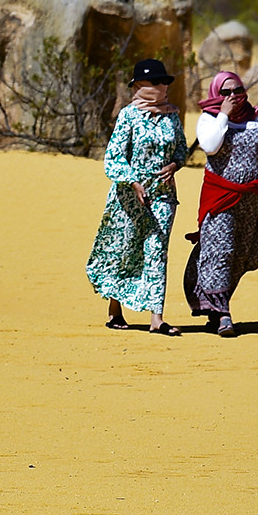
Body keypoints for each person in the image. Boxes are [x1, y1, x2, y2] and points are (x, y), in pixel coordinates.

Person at [86, 58, 187, 334]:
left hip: (163, 195)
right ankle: (115, 310)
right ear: (139, 85)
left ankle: (157, 318)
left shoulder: (172, 116)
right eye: (154, 82)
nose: (161, 86)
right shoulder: (128, 115)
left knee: (157, 251)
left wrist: (174, 165)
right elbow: (114, 156)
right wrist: (132, 182)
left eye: (164, 82)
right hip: (128, 197)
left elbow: (181, 149)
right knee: (124, 250)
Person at [182, 70, 258, 337]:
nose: (233, 96)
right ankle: (224, 315)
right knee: (221, 250)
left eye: (237, 90)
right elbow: (210, 146)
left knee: (240, 251)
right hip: (221, 196)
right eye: (226, 92)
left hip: (249, 199)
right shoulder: (209, 118)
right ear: (217, 94)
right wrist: (223, 114)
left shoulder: (253, 117)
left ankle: (214, 310)